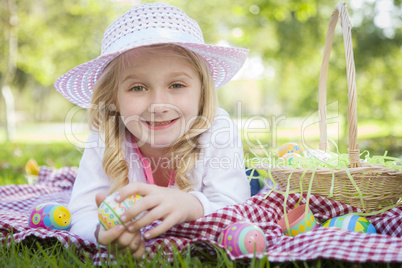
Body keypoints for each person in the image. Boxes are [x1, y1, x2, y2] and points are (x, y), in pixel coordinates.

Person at [55, 3, 250, 257]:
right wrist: (103, 234)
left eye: (177, 85)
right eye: (138, 88)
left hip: (229, 180)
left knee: (254, 182)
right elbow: (82, 210)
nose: (159, 104)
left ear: (202, 91)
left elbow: (236, 208)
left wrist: (192, 205)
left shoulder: (217, 130)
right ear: (113, 98)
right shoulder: (107, 135)